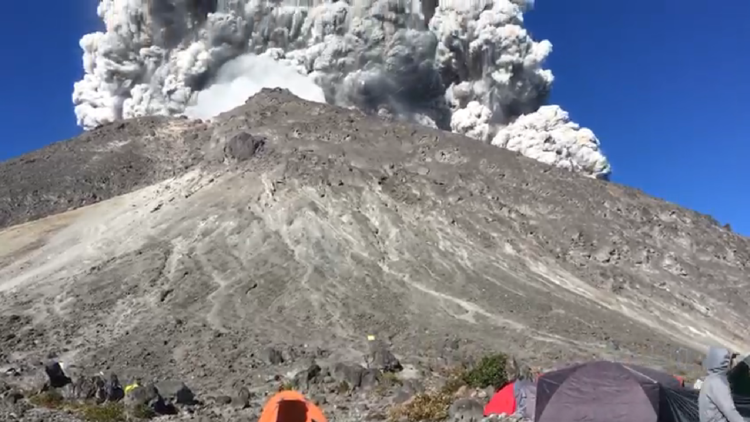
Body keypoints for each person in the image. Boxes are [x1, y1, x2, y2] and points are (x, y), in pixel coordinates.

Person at [699, 346, 746, 422]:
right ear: (723, 362)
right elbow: (729, 411)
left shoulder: (711, 379)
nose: (733, 363)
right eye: (730, 360)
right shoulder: (718, 383)